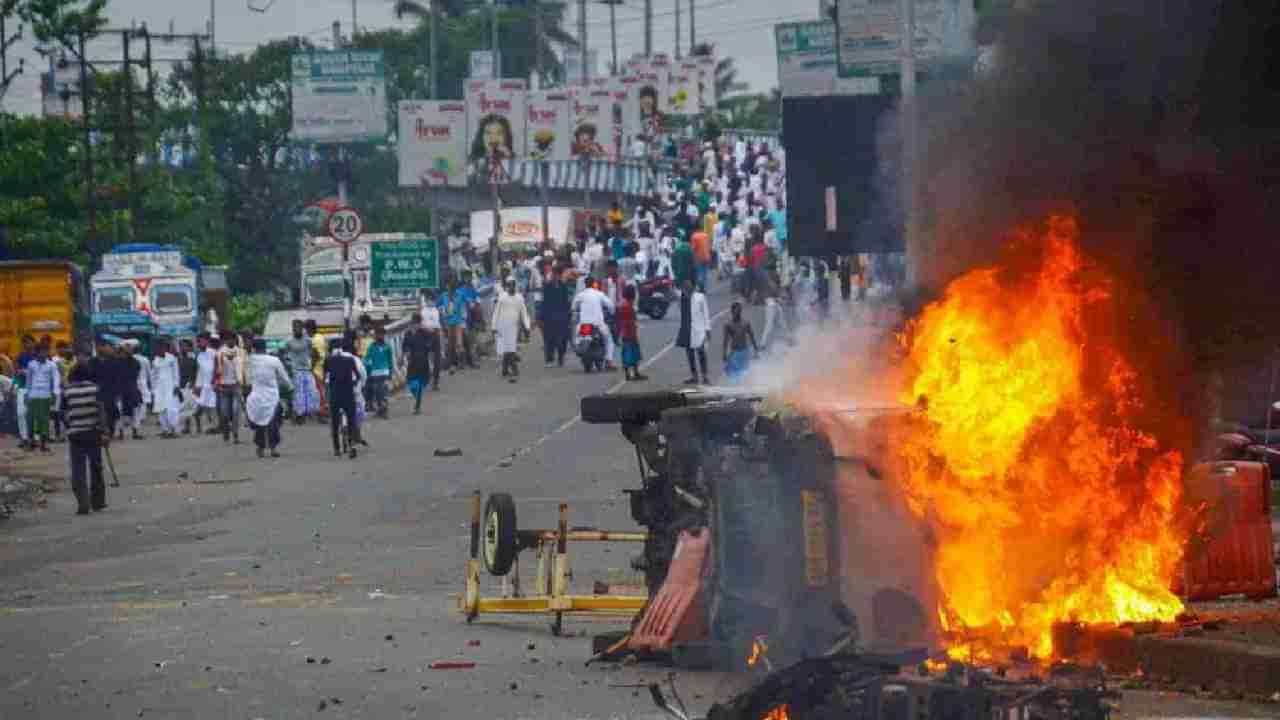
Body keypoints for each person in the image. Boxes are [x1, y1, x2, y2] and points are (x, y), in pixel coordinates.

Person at [64, 351, 109, 515]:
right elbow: (101, 411)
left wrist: (70, 426)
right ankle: (98, 502)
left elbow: (65, 413)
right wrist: (105, 432)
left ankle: (83, 503)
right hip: (93, 432)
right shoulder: (94, 389)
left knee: (78, 470)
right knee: (96, 467)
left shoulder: (67, 392)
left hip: (75, 434)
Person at [245, 339, 292, 459]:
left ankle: (260, 447)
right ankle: (273, 448)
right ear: (265, 348)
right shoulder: (274, 360)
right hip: (272, 396)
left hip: (256, 395)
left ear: (255, 348)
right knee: (273, 423)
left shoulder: (249, 360)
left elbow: (248, 379)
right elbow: (284, 376)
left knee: (260, 421)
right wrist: (290, 387)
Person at [325, 336, 364, 458]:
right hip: (348, 394)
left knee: (335, 422)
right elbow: (358, 376)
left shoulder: (328, 360)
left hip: (335, 395)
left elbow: (324, 376)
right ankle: (352, 444)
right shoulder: (350, 360)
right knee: (351, 420)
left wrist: (329, 386)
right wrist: (352, 384)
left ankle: (336, 448)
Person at [572, 277, 616, 372]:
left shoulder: (581, 295)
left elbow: (573, 307)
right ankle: (609, 361)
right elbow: (610, 305)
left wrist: (577, 311)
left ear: (585, 284)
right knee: (609, 340)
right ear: (594, 284)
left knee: (577, 337)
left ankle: (578, 348)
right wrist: (612, 312)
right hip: (598, 324)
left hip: (583, 324)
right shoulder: (599, 294)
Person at [492, 278, 531, 383]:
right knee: (508, 349)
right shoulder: (502, 297)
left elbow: (524, 313)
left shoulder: (519, 298)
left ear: (515, 285)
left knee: (510, 348)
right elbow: (496, 312)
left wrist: (527, 327)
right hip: (502, 326)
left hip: (514, 327)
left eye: (513, 285)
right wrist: (494, 326)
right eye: (509, 285)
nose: (511, 287)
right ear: (507, 286)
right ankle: (514, 369)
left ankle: (505, 369)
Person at [24, 338, 60, 453]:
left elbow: (56, 380)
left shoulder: (52, 365)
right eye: (41, 351)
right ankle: (31, 442)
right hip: (33, 395)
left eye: (46, 351)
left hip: (45, 395)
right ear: (36, 352)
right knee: (32, 419)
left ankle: (43, 445)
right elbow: (28, 381)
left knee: (44, 420)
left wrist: (55, 393)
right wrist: (26, 394)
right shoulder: (31, 365)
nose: (43, 354)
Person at [676, 279, 711, 385]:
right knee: (689, 354)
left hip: (699, 330)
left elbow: (706, 313)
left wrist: (708, 329)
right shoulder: (681, 298)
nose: (687, 291)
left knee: (701, 353)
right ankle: (694, 376)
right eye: (685, 289)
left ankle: (705, 376)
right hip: (686, 330)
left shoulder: (700, 297)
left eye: (689, 288)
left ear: (692, 288)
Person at [285, 321, 319, 424]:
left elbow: (315, 354)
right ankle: (299, 415)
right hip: (296, 370)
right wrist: (288, 366)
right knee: (298, 393)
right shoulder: (289, 341)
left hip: (307, 370)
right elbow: (282, 353)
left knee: (311, 392)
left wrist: (312, 366)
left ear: (302, 328)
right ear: (292, 329)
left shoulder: (308, 340)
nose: (297, 329)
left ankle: (308, 413)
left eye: (299, 327)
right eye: (295, 328)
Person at [540, 266, 573, 368]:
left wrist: (568, 315)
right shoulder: (547, 286)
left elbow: (566, 302)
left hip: (562, 316)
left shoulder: (564, 286)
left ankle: (561, 357)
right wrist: (541, 317)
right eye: (553, 274)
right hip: (549, 316)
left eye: (557, 274)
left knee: (562, 339)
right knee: (549, 339)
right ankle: (549, 359)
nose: (555, 276)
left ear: (560, 275)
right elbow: (544, 302)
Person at [215, 334, 244, 444]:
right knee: (225, 413)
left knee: (236, 411)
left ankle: (235, 435)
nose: (230, 341)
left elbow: (243, 368)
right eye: (228, 339)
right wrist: (216, 383)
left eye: (232, 339)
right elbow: (216, 369)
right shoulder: (220, 353)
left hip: (236, 386)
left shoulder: (240, 352)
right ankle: (226, 430)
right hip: (224, 387)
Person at [150, 338, 181, 439]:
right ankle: (165, 430)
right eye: (158, 348)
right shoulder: (155, 361)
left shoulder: (172, 358)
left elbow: (176, 373)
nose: (159, 349)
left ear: (165, 348)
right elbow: (153, 376)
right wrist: (153, 390)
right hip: (159, 388)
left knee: (172, 408)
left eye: (161, 347)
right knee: (161, 409)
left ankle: (174, 429)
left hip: (170, 386)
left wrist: (176, 385)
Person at [722, 301, 761, 382]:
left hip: (744, 352)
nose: (738, 313)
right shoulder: (728, 324)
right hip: (734, 352)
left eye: (739, 311)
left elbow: (752, 337)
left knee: (744, 374)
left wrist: (756, 351)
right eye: (736, 311)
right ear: (732, 311)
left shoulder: (746, 323)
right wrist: (724, 354)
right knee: (732, 374)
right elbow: (725, 340)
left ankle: (744, 385)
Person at [402, 319, 433, 415]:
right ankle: (416, 398)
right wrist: (403, 355)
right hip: (412, 362)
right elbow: (404, 346)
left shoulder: (424, 332)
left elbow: (431, 338)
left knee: (420, 385)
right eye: (414, 324)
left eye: (418, 324)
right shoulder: (407, 334)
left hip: (423, 362)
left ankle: (417, 407)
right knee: (410, 382)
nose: (416, 326)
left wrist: (425, 329)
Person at [618, 285, 648, 382]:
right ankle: (635, 373)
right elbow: (631, 321)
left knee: (626, 353)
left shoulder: (623, 305)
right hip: (630, 332)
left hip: (624, 332)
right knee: (633, 353)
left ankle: (628, 374)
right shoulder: (629, 306)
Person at [363, 326, 394, 420]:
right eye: (378, 334)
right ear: (375, 335)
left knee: (383, 392)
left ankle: (384, 411)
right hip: (375, 373)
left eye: (382, 334)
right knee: (377, 392)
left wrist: (390, 372)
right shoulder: (372, 347)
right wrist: (366, 368)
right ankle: (381, 410)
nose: (380, 336)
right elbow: (367, 360)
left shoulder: (387, 346)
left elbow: (390, 360)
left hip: (384, 372)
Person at [193, 334, 218, 434]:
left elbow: (217, 368)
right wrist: (197, 385)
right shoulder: (199, 356)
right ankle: (207, 426)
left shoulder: (214, 353)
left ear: (207, 341)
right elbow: (200, 372)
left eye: (201, 341)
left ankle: (215, 426)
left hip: (213, 384)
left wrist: (215, 380)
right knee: (202, 407)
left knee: (212, 406)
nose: (199, 343)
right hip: (204, 385)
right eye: (198, 341)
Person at [177, 339, 198, 434]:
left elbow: (196, 372)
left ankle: (198, 425)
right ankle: (187, 426)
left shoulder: (194, 358)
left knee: (193, 406)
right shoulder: (178, 359)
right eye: (181, 346)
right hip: (181, 384)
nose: (182, 348)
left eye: (184, 346)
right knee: (184, 407)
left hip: (191, 385)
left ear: (190, 347)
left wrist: (194, 384)